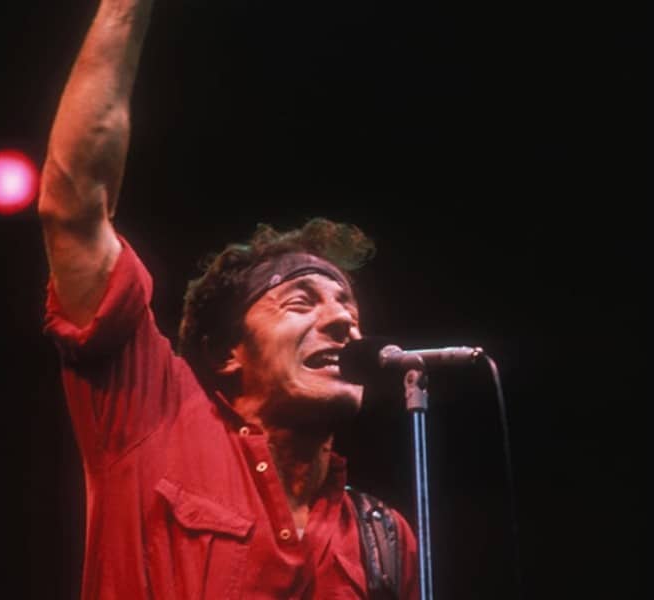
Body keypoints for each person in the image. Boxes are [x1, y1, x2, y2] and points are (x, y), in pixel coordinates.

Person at [38, 1, 419, 598]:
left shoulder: (383, 538)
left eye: (346, 304)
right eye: (301, 302)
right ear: (226, 354)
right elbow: (73, 205)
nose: (344, 320)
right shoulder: (153, 418)